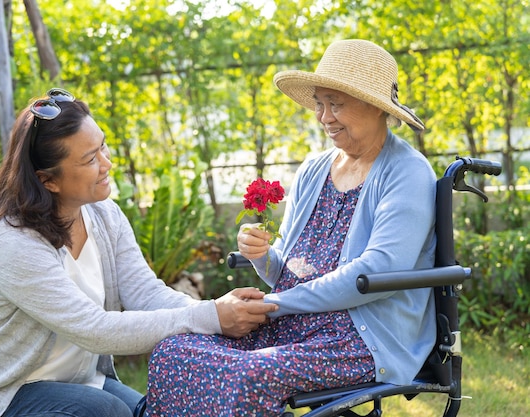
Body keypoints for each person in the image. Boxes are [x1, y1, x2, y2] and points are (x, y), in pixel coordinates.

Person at [0, 88, 278, 417]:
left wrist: (214, 312)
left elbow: (144, 292)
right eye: (90, 159)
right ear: (47, 180)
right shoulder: (14, 241)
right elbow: (95, 329)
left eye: (103, 147)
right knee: (105, 412)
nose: (107, 163)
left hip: (77, 380)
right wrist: (212, 317)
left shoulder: (103, 214)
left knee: (154, 408)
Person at [143, 39, 437, 416]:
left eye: (337, 103)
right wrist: (261, 255)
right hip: (289, 324)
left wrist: (276, 304)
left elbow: (375, 272)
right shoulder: (314, 170)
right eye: (320, 103)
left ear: (375, 106)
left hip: (357, 338)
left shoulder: (407, 172)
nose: (324, 117)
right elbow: (288, 274)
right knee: (173, 351)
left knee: (249, 374)